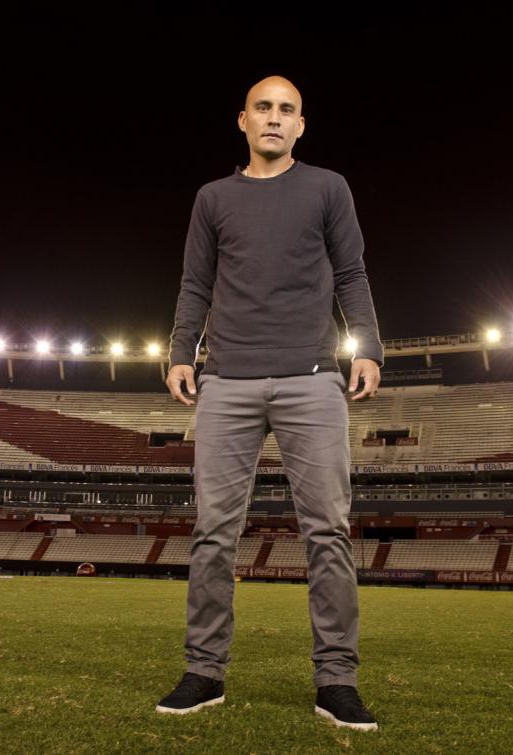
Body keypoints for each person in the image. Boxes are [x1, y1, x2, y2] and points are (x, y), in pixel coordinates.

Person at [156, 75, 384, 732]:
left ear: (302, 125)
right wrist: (180, 351)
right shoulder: (213, 198)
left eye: (287, 110)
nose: (275, 118)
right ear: (243, 120)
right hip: (225, 381)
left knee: (328, 533)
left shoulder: (327, 187)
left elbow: (351, 272)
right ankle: (204, 671)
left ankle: (336, 679)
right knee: (213, 535)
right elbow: (195, 282)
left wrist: (366, 345)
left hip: (313, 379)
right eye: (264, 108)